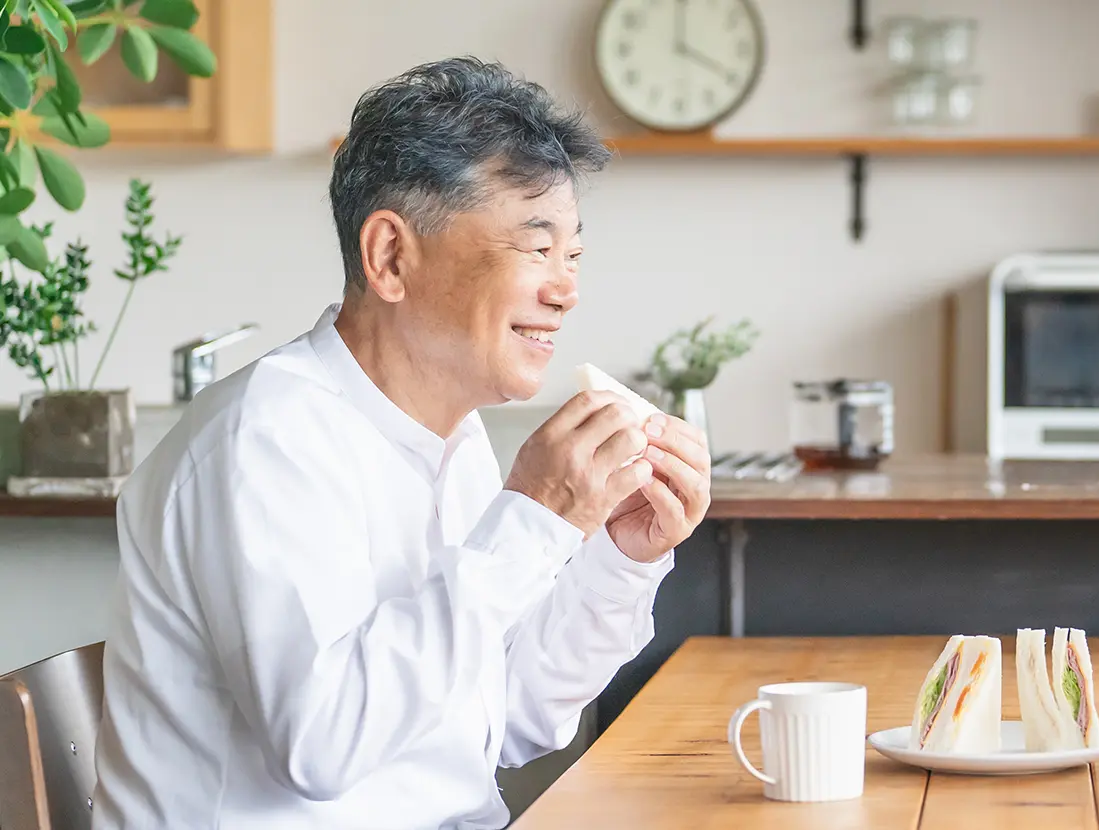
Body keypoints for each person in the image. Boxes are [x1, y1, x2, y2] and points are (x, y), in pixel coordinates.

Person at [91, 57, 712, 828]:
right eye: (535, 245)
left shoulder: (456, 440)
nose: (566, 289)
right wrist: (534, 518)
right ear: (390, 256)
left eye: (573, 254)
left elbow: (512, 720)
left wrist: (621, 557)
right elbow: (321, 747)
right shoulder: (267, 438)